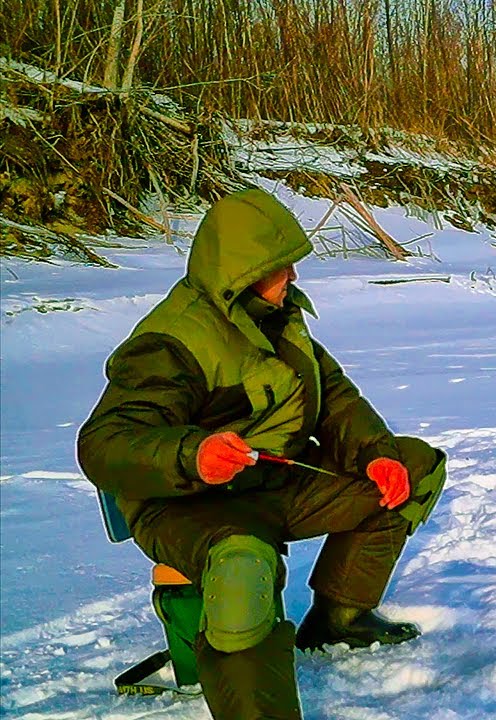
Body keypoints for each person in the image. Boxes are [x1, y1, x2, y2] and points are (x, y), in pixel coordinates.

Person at [77, 188, 447, 719]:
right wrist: (192, 453)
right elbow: (103, 442)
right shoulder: (171, 341)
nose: (293, 277)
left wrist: (374, 453)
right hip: (190, 504)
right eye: (282, 268)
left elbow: (335, 396)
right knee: (241, 569)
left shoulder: (277, 315)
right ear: (241, 272)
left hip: (273, 483)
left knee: (411, 469)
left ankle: (339, 618)